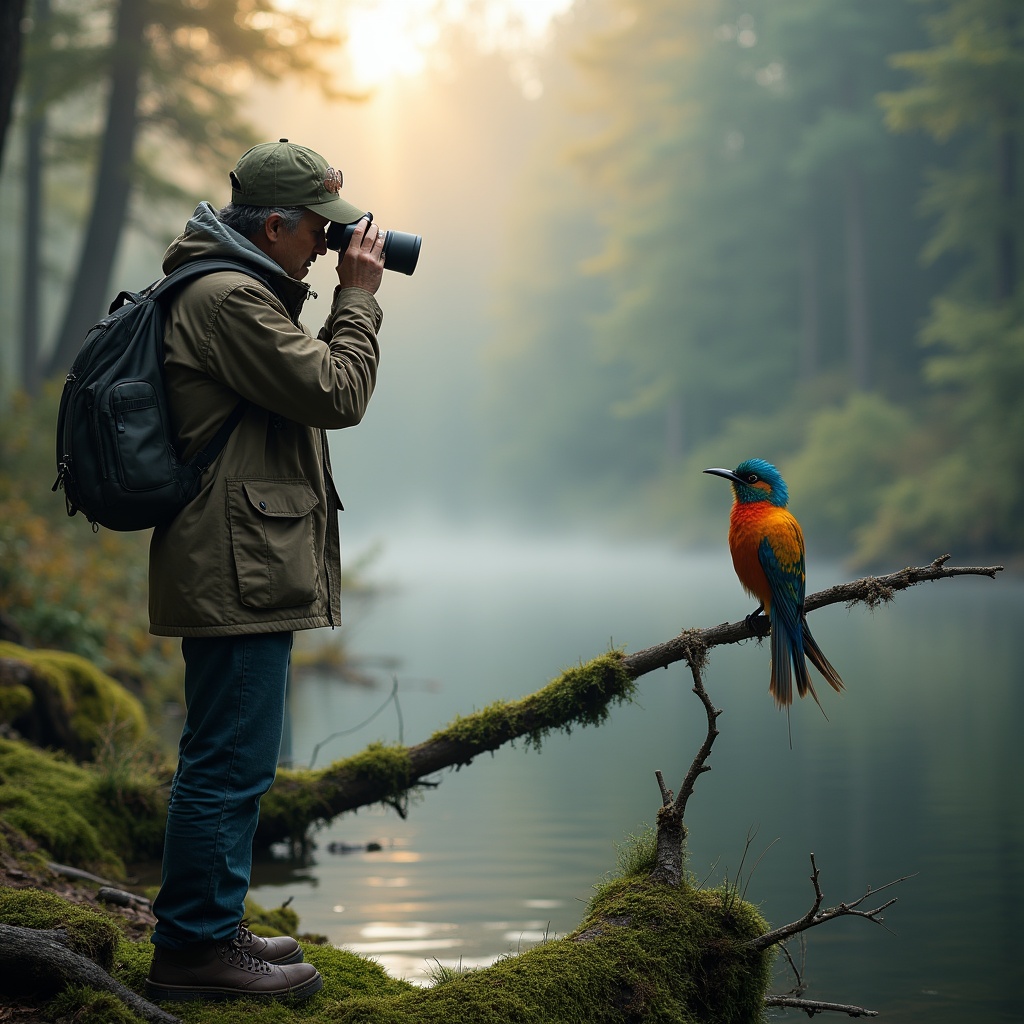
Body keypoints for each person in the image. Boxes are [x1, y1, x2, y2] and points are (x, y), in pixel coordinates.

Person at [144, 140, 386, 1002]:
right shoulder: (228, 298)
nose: (328, 246)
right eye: (320, 229)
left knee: (233, 758)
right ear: (274, 225)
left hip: (241, 559)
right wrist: (358, 300)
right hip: (234, 565)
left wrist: (329, 291)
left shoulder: (235, 289)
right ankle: (194, 950)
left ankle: (213, 925)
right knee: (228, 762)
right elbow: (337, 392)